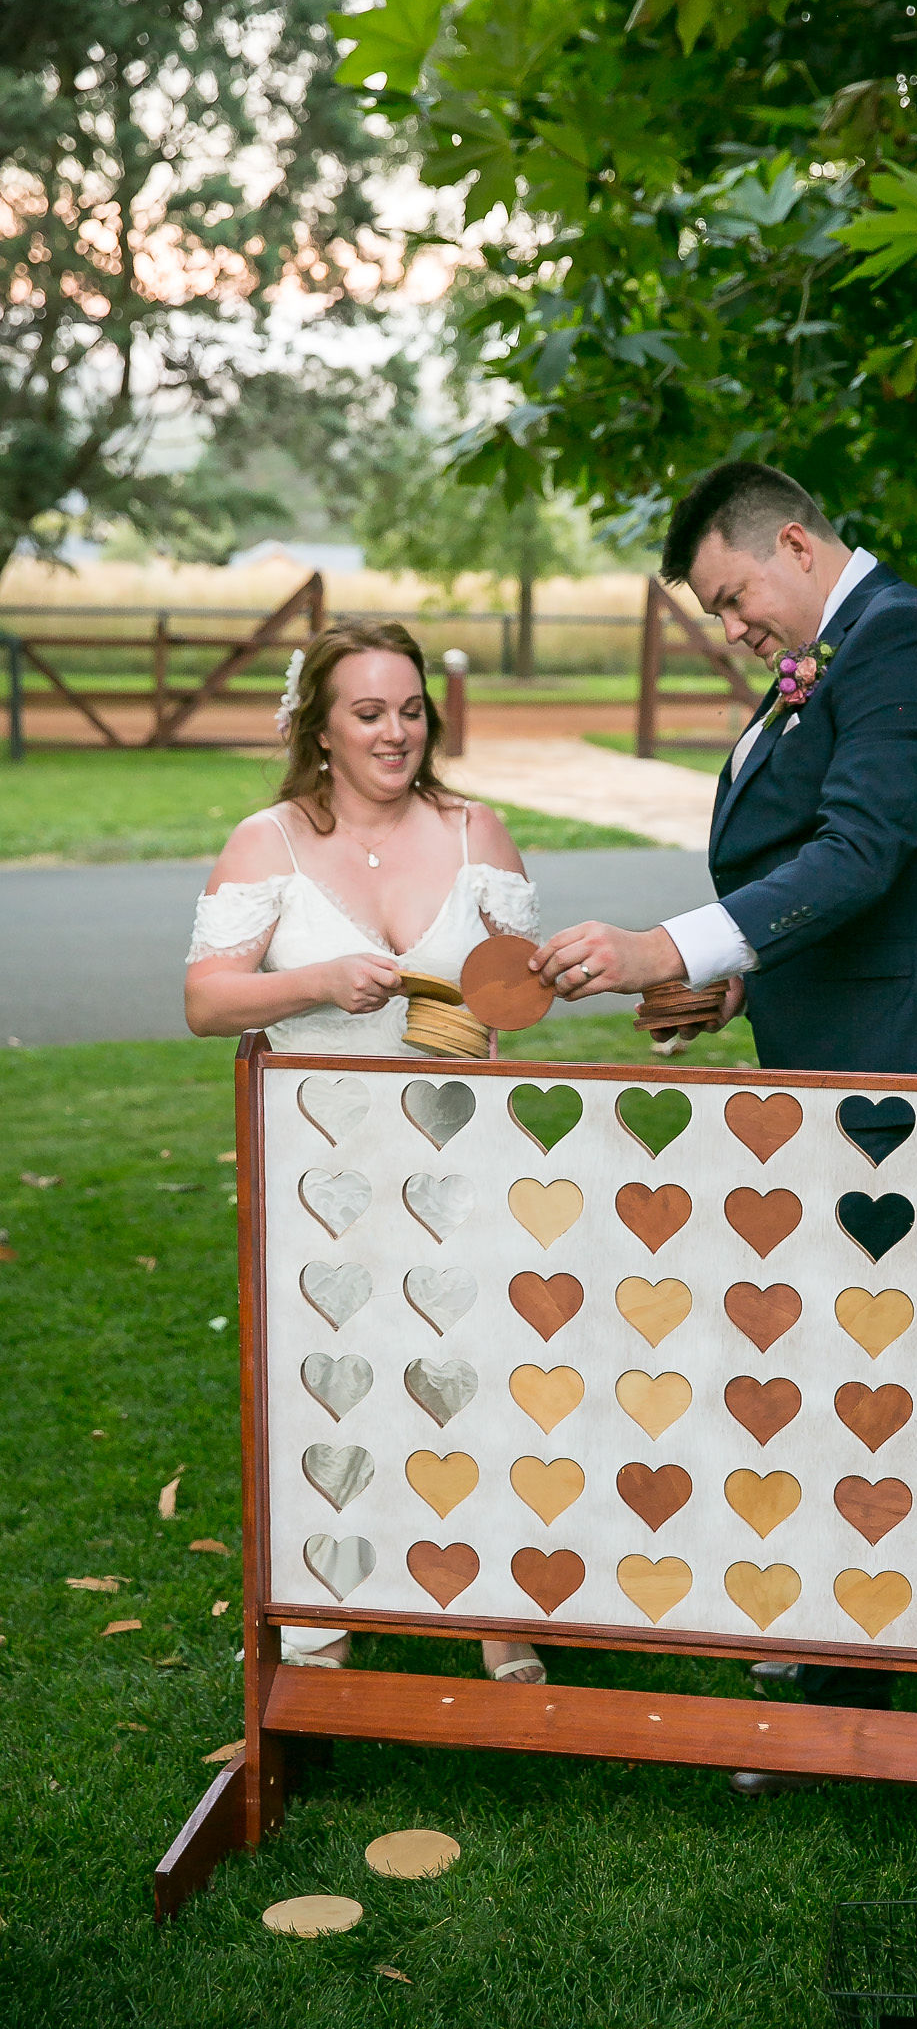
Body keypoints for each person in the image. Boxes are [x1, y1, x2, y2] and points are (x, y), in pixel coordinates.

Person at [530, 461, 917, 1792]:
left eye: (733, 597)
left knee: (877, 1370)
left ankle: (862, 1691)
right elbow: (817, 879)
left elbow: (863, 854)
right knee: (847, 1361)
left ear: (793, 539)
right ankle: (872, 1639)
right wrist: (725, 977)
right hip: (843, 1052)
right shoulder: (841, 650)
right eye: (716, 613)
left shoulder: (909, 647)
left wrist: (662, 941)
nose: (735, 629)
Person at [185, 618, 547, 1687]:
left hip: (460, 1161)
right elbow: (206, 999)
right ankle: (327, 1611)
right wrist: (318, 980)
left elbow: (510, 1006)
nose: (396, 731)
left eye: (411, 709)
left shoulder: (479, 831)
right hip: (323, 1169)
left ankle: (494, 1609)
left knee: (470, 1369)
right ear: (322, 726)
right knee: (335, 1379)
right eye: (369, 711)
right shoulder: (271, 840)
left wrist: (532, 981)